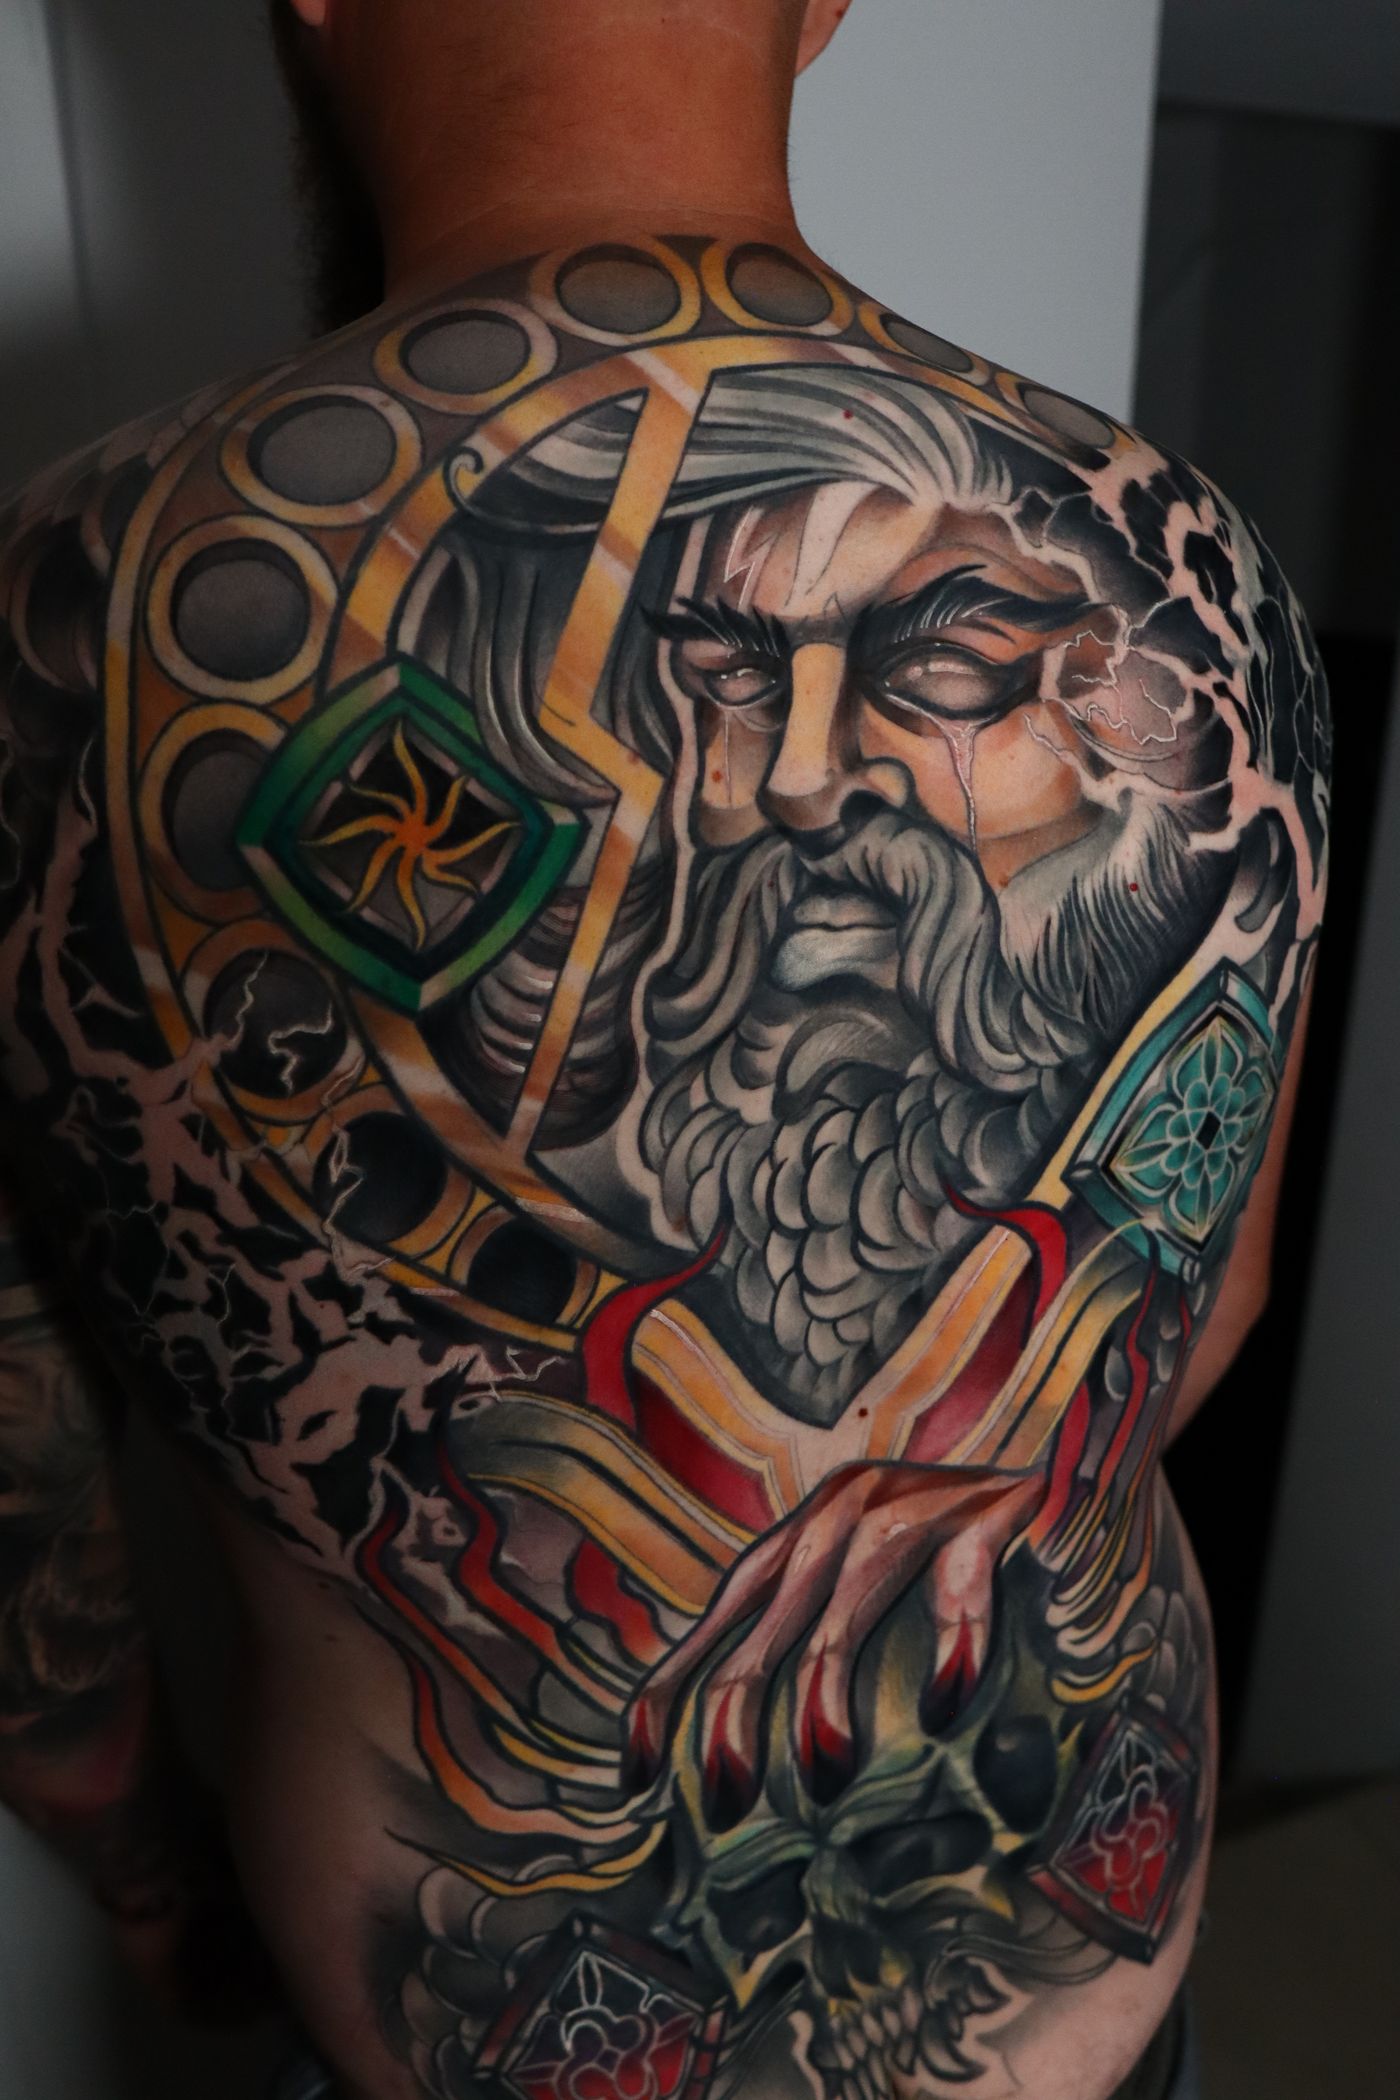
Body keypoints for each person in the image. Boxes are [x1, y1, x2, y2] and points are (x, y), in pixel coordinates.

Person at [0, 5, 1329, 2099]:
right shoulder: (1196, 572)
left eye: (935, 677)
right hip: (1085, 1990)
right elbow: (1211, 1294)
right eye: (720, 673)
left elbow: (20, 1494)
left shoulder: (67, 625)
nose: (801, 781)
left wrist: (156, 1876)